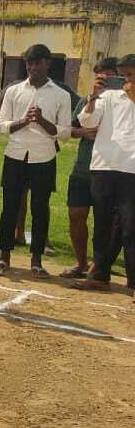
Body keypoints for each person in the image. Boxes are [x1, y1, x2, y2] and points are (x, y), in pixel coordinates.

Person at [0, 44, 73, 276]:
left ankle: (36, 260)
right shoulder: (14, 91)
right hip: (15, 155)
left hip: (43, 156)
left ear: (48, 64)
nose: (33, 67)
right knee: (10, 207)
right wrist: (23, 121)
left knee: (40, 208)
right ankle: (4, 255)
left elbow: (65, 132)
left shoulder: (61, 94)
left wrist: (43, 121)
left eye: (37, 62)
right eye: (29, 63)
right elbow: (1, 125)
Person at [71, 54, 135, 300]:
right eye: (122, 75)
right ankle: (100, 276)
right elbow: (87, 120)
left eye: (130, 74)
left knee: (130, 227)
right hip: (104, 165)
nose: (125, 80)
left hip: (132, 169)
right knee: (103, 224)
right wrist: (93, 96)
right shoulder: (108, 96)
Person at [61, 58, 119, 278]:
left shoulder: (126, 103)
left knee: (105, 222)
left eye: (110, 76)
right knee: (76, 215)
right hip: (83, 169)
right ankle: (81, 263)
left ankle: (100, 265)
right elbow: (71, 128)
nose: (105, 81)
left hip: (110, 170)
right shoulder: (87, 100)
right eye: (101, 77)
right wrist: (82, 133)